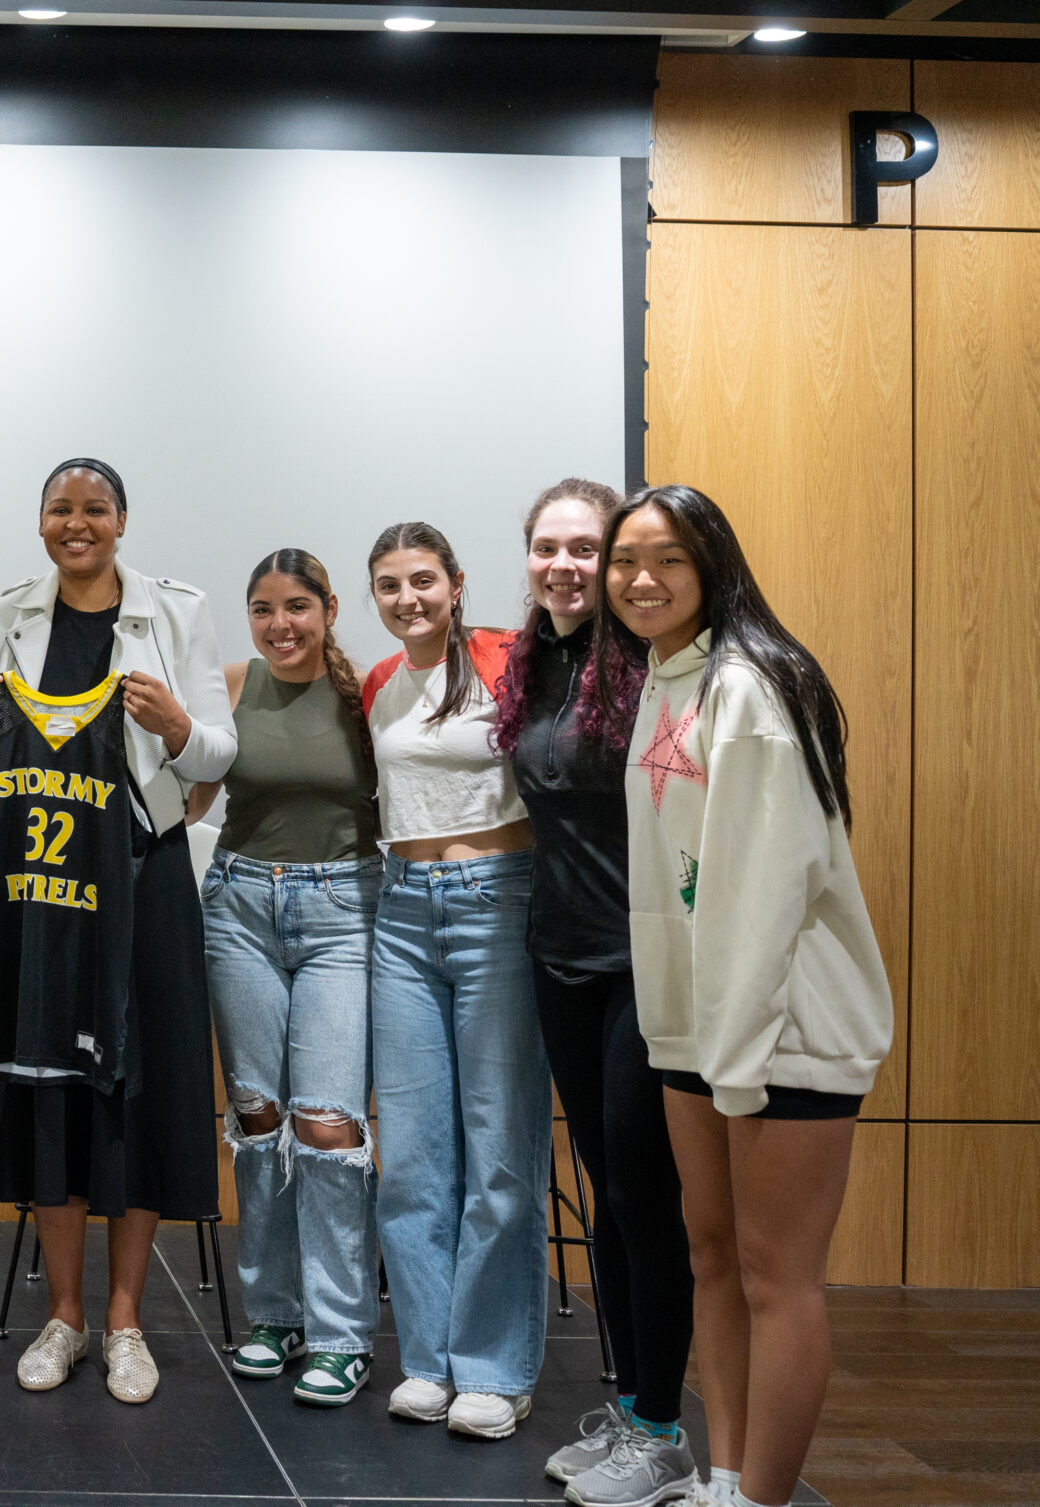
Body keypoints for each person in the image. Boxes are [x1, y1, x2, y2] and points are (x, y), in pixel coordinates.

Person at [601, 485, 890, 1507]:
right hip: (697, 1025)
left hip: (781, 1032)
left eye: (667, 558)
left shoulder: (752, 686)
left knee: (778, 1278)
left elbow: (763, 893)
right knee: (711, 1258)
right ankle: (722, 1476)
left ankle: (761, 1499)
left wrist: (734, 1049)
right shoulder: (665, 677)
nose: (641, 579)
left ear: (713, 563)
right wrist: (687, 1031)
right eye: (624, 559)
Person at [0, 457, 232, 1406]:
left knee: (140, 1088)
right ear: (40, 524)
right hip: (41, 885)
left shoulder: (176, 612)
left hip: (145, 875)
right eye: (61, 510)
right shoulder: (13, 612)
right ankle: (64, 1315)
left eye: (96, 509)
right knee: (55, 1090)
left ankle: (125, 1322)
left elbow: (219, 753)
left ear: (122, 520)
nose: (79, 525)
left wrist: (182, 725)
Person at [491, 481, 699, 1502]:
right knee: (606, 1194)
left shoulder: (650, 664)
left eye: (588, 547)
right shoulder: (535, 662)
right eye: (547, 547)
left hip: (641, 966)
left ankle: (663, 1433)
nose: (566, 565)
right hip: (556, 956)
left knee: (637, 1196)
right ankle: (628, 1411)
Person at [361, 521, 551, 1441]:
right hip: (400, 911)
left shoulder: (509, 660)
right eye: (391, 586)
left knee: (500, 1148)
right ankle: (429, 1359)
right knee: (413, 1156)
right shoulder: (378, 684)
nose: (409, 599)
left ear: (457, 582)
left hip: (495, 900)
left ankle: (494, 1368)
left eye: (423, 581)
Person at [187, 550, 382, 1407]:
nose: (280, 624)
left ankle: (342, 1334)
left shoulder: (364, 699)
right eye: (263, 608)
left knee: (329, 1124)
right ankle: (274, 1315)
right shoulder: (229, 685)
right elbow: (188, 800)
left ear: (330, 608)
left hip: (345, 911)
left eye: (297, 606)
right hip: (239, 909)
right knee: (257, 1117)